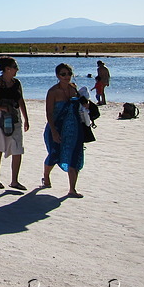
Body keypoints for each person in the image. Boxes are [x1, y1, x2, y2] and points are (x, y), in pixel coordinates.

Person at [0, 57, 30, 190]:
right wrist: (0, 108)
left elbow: (20, 100)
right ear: (7, 69)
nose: (16, 70)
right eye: (15, 67)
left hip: (14, 115)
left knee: (17, 148)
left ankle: (14, 181)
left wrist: (26, 118)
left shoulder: (16, 83)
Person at [42, 63, 85, 198]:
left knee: (75, 156)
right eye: (63, 74)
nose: (66, 77)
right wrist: (54, 131)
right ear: (57, 76)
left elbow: (79, 108)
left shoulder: (74, 89)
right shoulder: (53, 92)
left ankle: (72, 189)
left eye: (68, 74)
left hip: (74, 128)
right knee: (54, 154)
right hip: (57, 128)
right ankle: (46, 175)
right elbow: (49, 113)